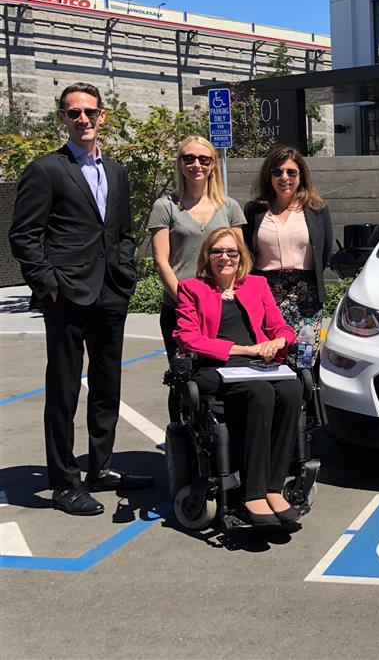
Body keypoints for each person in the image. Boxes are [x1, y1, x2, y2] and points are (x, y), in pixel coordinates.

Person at [8, 82, 153, 515]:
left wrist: (125, 272)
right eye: (74, 113)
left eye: (90, 111)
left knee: (108, 386)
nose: (83, 119)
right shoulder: (46, 169)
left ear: (103, 115)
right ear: (63, 119)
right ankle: (64, 482)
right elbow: (23, 235)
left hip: (111, 292)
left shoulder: (117, 172)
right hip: (68, 296)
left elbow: (123, 232)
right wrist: (49, 283)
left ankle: (101, 467)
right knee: (64, 390)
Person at [173, 227, 302, 526]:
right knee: (261, 393)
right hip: (216, 367)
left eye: (231, 252)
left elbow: (282, 327)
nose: (225, 258)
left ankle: (274, 487)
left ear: (241, 256)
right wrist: (245, 348)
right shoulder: (192, 288)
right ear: (207, 256)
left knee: (293, 390)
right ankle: (252, 493)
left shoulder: (257, 285)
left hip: (258, 362)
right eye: (217, 252)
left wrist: (278, 342)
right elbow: (186, 337)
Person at [148, 136, 246, 357]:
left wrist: (229, 299)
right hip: (180, 307)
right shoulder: (165, 207)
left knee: (221, 377)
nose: (197, 165)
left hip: (222, 307)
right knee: (183, 379)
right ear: (180, 163)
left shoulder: (230, 207)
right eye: (189, 158)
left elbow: (239, 258)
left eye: (204, 159)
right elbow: (161, 261)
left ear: (213, 165)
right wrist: (185, 302)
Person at [243, 147, 332, 364]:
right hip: (267, 292)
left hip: (307, 295)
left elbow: (325, 251)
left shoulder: (317, 209)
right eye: (278, 172)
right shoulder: (254, 210)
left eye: (291, 172)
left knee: (305, 356)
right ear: (269, 176)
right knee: (270, 353)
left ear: (301, 176)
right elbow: (245, 251)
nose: (285, 178)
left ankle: (306, 395)